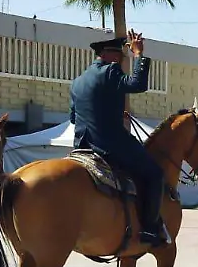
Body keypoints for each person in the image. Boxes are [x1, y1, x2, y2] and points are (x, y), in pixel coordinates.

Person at [70, 30, 167, 246]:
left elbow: (74, 117)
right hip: (109, 144)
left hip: (82, 145)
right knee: (155, 174)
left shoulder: (77, 82)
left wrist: (110, 111)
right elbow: (137, 84)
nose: (122, 61)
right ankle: (150, 230)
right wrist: (138, 55)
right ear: (110, 55)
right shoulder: (110, 71)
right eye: (121, 57)